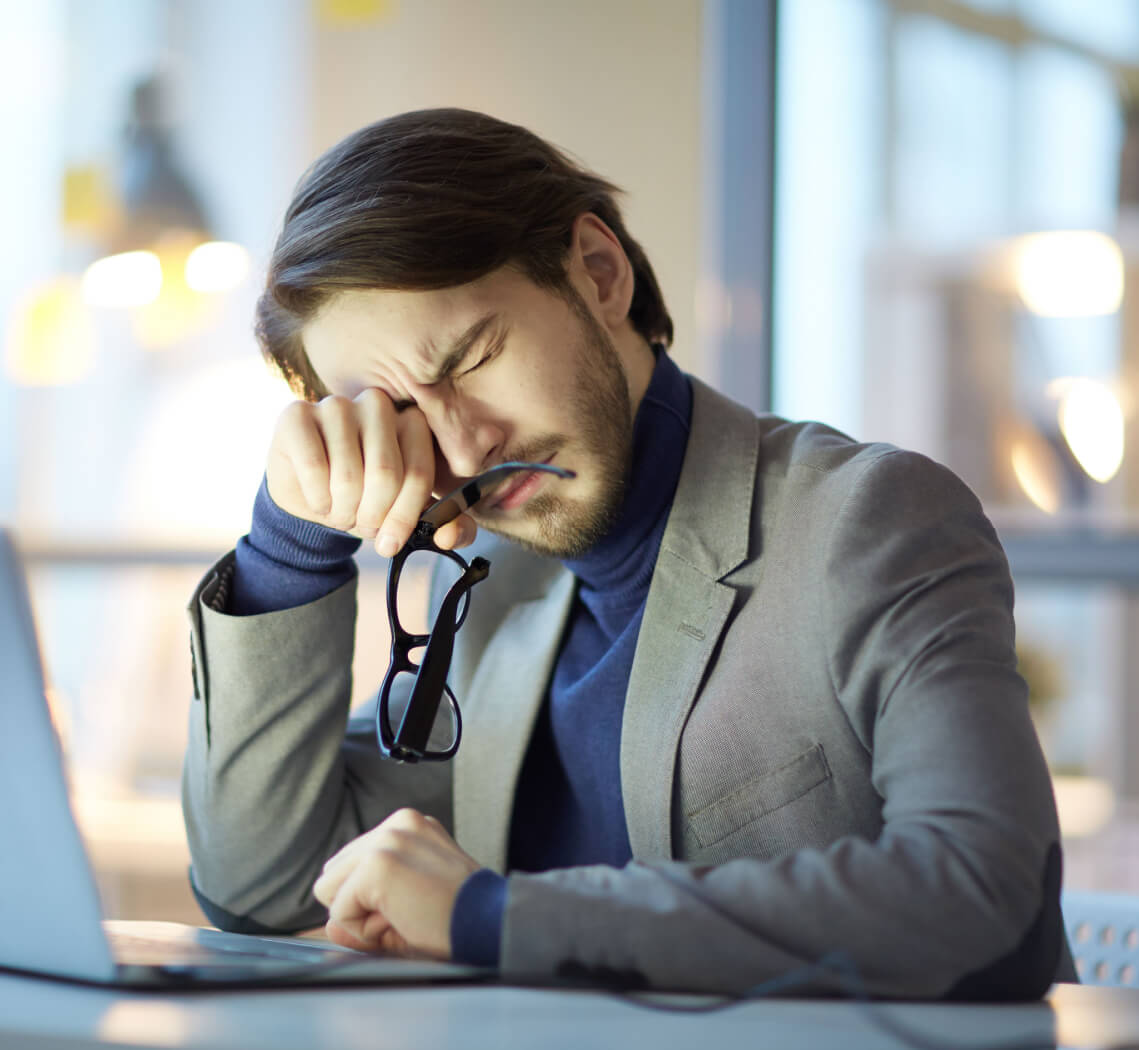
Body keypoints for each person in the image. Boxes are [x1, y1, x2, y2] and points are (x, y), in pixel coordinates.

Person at [180, 108, 1077, 999]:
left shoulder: (867, 520)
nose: (461, 449)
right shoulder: (490, 586)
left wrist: (489, 920)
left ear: (599, 274)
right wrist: (290, 546)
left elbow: (993, 906)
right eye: (405, 411)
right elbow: (259, 889)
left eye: (472, 356)